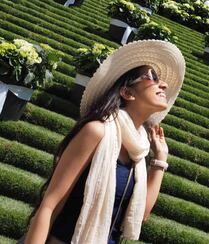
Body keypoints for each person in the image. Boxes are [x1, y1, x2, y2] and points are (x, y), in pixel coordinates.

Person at [21, 40, 186, 243]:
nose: (164, 84)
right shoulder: (97, 132)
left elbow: (140, 215)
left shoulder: (139, 149)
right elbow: (50, 205)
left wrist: (160, 159)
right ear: (127, 92)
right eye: (153, 77)